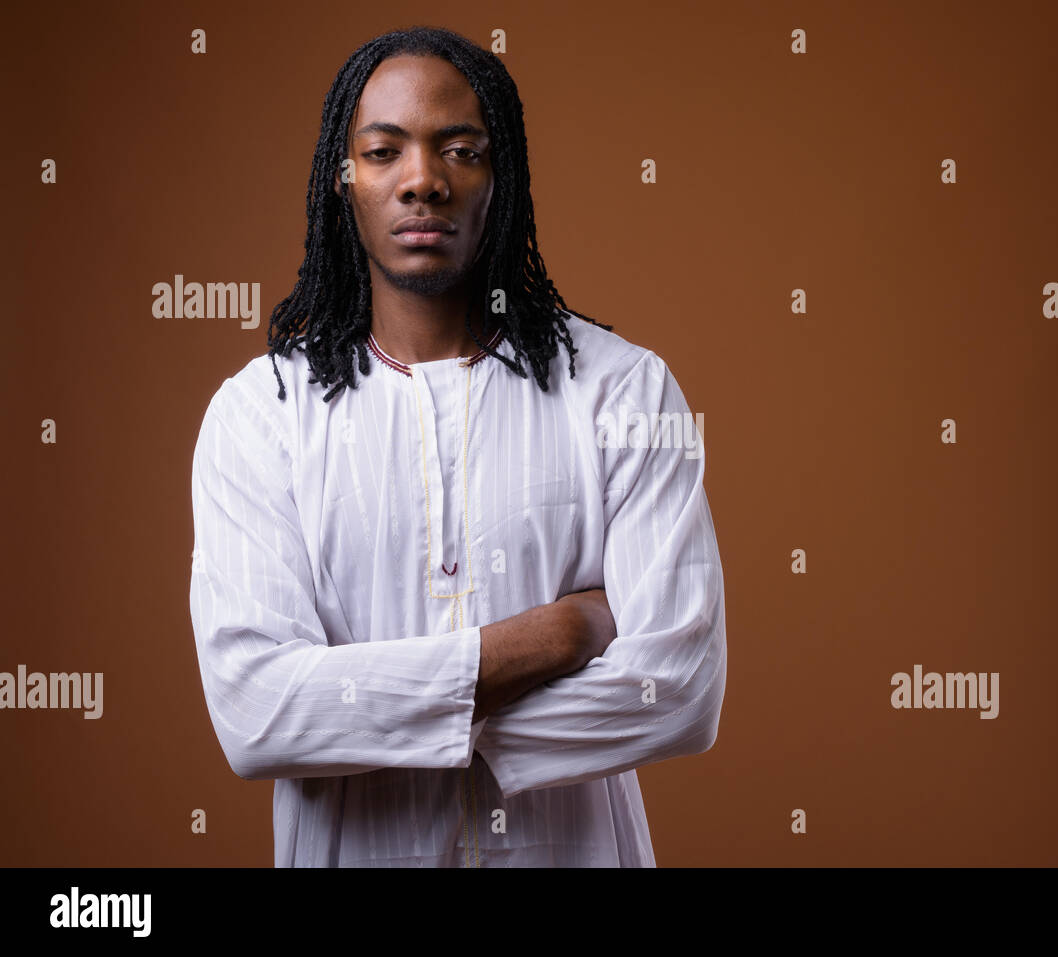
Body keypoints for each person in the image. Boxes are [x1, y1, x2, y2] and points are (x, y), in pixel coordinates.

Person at [187, 25, 726, 867]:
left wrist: (374, 712)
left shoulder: (622, 391)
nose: (422, 181)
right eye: (382, 151)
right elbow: (258, 713)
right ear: (344, 178)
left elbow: (680, 690)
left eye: (461, 151)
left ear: (498, 178)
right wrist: (556, 637)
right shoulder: (262, 415)